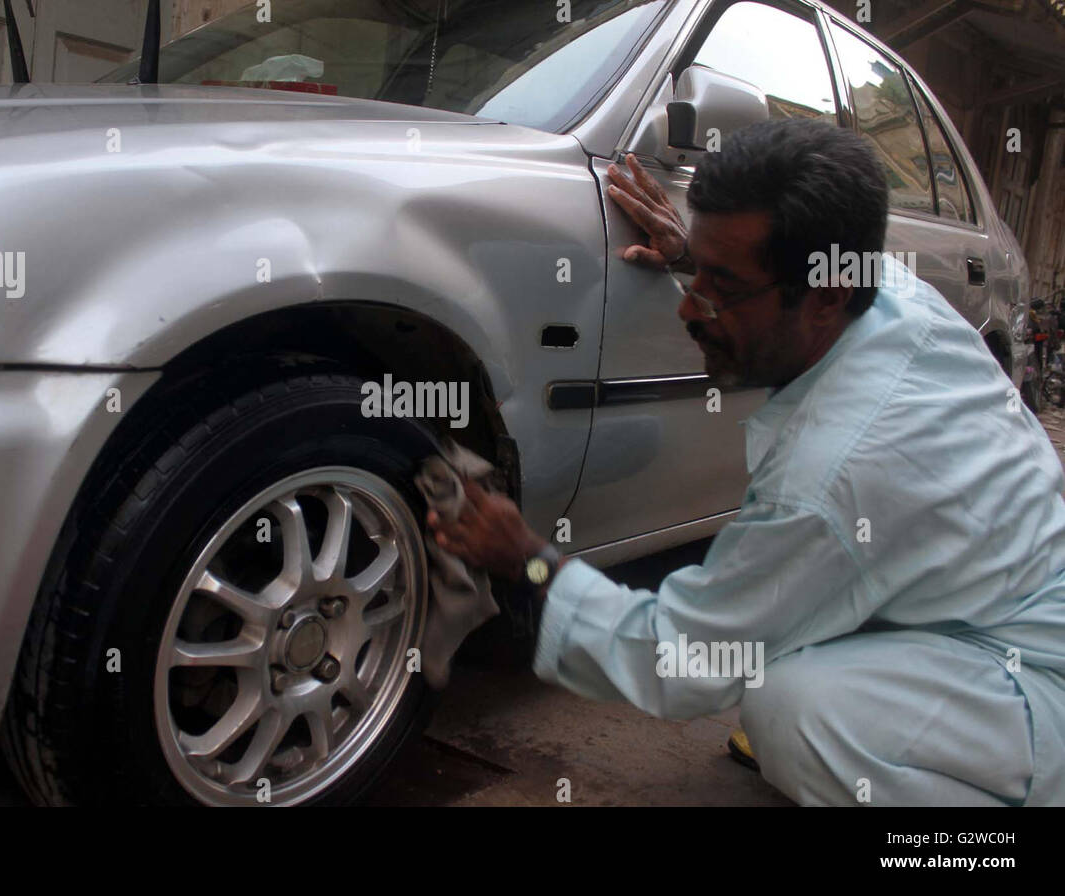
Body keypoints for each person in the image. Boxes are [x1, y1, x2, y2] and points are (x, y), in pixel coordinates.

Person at [427, 119, 1065, 806]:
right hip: (979, 597)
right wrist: (695, 258)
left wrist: (527, 558)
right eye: (698, 271)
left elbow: (682, 660)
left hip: (1023, 683)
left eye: (723, 286)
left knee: (792, 708)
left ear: (823, 296)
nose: (689, 312)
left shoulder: (833, 477)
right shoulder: (883, 292)